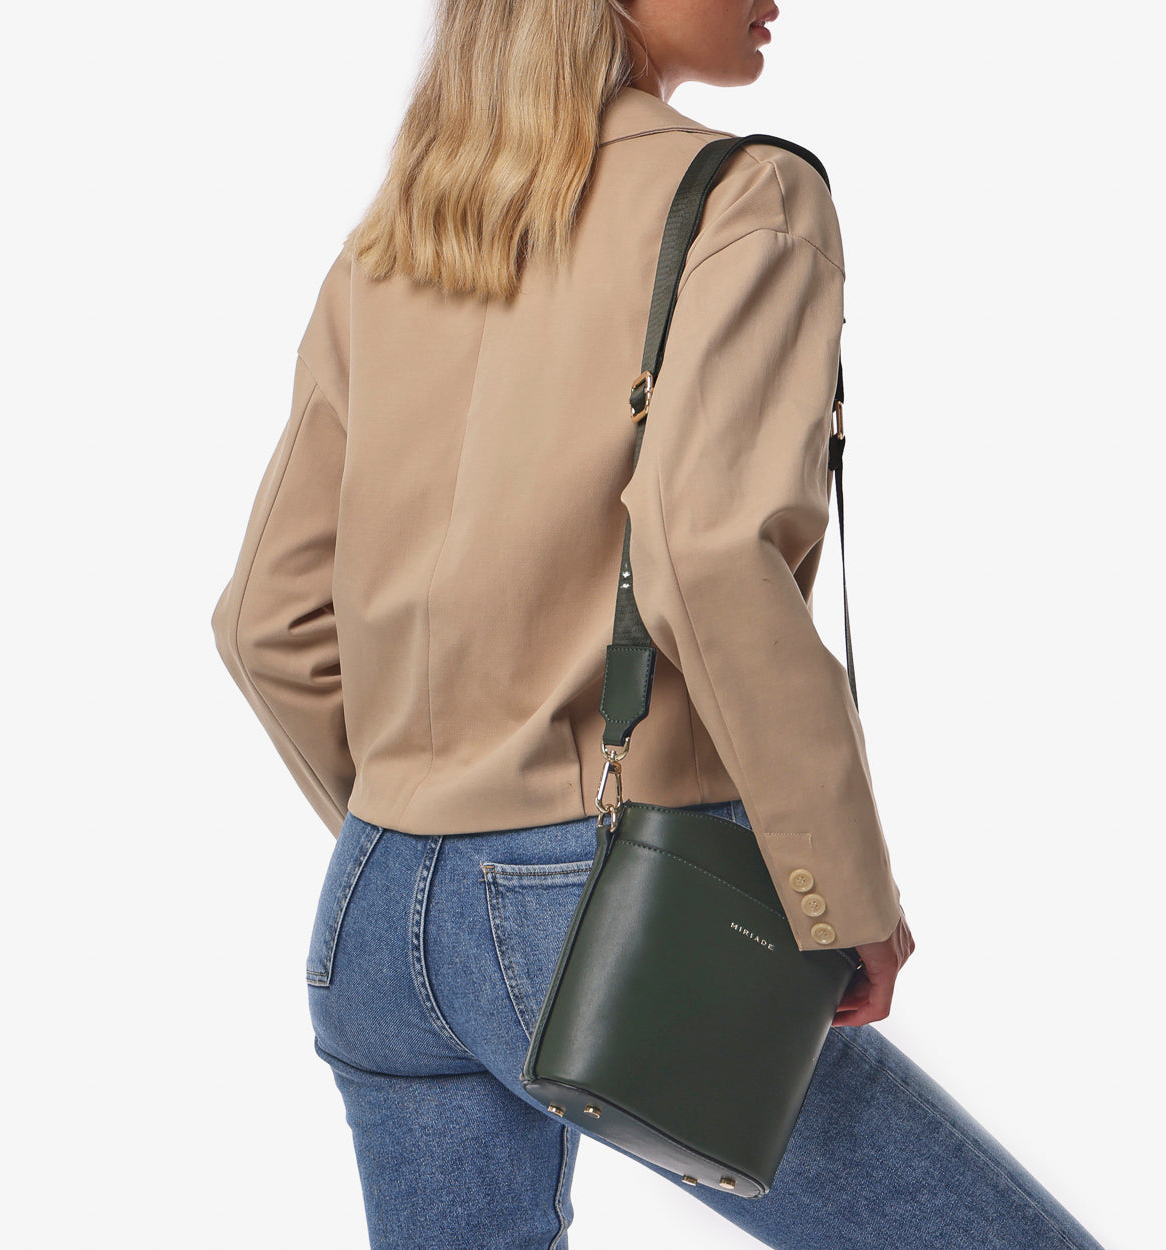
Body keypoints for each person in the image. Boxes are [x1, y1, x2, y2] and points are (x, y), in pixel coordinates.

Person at [210, 1, 1107, 1246]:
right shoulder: (745, 197)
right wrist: (835, 885)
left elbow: (267, 619)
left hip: (369, 910)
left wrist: (429, 826)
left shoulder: (397, 237)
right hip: (608, 905)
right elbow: (705, 550)